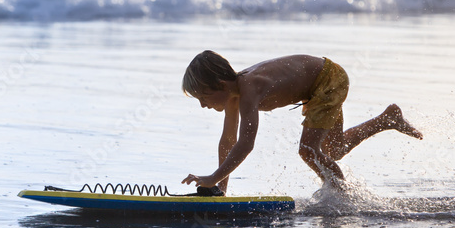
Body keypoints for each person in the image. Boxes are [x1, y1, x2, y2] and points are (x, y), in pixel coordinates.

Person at [181, 51, 422, 192]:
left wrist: (212, 177)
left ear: (221, 85)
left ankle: (340, 196)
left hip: (328, 81)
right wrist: (220, 189)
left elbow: (245, 144)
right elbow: (228, 142)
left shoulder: (249, 89)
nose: (203, 105)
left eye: (203, 97)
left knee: (308, 150)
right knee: (334, 150)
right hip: (316, 86)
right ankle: (388, 118)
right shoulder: (234, 95)